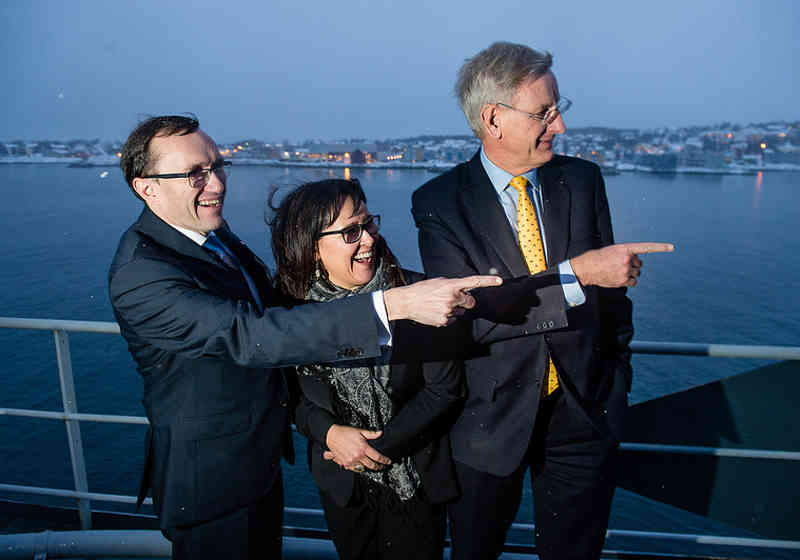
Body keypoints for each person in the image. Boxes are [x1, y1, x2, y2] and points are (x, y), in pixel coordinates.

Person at [108, 115, 500, 560]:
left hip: (254, 466)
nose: (216, 184)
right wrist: (394, 305)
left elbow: (278, 321)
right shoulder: (143, 273)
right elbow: (252, 334)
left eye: (218, 166)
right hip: (211, 480)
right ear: (147, 187)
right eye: (195, 173)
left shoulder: (213, 239)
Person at [411, 42, 674, 560]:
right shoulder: (440, 203)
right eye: (544, 113)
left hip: (582, 414)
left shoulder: (581, 179)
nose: (560, 126)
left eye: (559, 109)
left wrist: (613, 391)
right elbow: (471, 313)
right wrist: (576, 275)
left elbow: (615, 306)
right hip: (488, 423)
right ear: (493, 118)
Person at [270, 178, 462, 560]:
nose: (370, 239)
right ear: (311, 248)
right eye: (351, 232)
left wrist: (366, 449)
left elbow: (445, 389)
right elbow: (290, 395)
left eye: (369, 223)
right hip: (344, 487)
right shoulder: (290, 311)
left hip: (416, 478)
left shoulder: (417, 295)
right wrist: (329, 433)